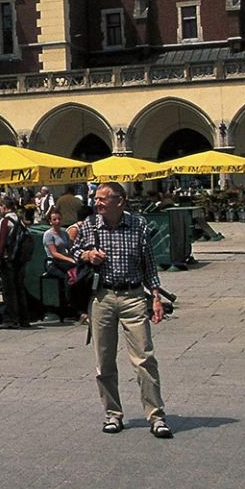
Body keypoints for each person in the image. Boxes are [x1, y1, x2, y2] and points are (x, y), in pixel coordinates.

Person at [74, 182, 172, 438]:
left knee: (144, 358)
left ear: (120, 201)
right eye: (96, 199)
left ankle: (156, 416)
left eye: (102, 199)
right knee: (104, 361)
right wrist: (87, 256)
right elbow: (73, 251)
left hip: (133, 296)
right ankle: (113, 414)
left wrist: (156, 297)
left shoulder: (138, 225)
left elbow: (149, 264)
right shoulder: (90, 225)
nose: (97, 203)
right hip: (102, 297)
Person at [42, 209, 88, 320]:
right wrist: (70, 260)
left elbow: (70, 248)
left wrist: (77, 258)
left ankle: (82, 305)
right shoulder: (48, 235)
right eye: (54, 219)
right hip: (53, 264)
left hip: (66, 263)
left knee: (80, 276)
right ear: (50, 222)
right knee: (67, 279)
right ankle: (71, 308)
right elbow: (54, 253)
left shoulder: (64, 233)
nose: (57, 221)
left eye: (59, 219)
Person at [0, 196, 32, 328]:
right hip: (20, 260)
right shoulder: (19, 219)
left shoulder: (5, 221)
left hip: (8, 260)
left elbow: (1, 242)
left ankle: (11, 319)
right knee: (19, 288)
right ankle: (24, 318)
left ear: (4, 207)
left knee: (9, 290)